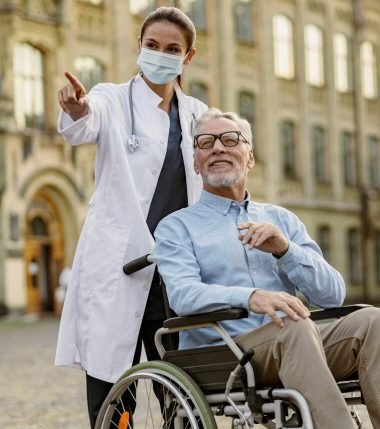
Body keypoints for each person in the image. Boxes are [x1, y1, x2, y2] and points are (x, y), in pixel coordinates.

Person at [154, 108, 380, 429]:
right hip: (225, 354)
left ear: (250, 158)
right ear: (195, 162)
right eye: (205, 142)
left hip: (297, 344)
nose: (217, 147)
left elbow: (333, 294)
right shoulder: (176, 227)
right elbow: (183, 294)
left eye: (230, 139)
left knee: (372, 321)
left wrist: (285, 250)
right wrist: (251, 296)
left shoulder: (282, 220)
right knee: (294, 326)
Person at [54, 7, 207, 428]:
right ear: (139, 46)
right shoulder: (111, 98)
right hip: (118, 267)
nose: (160, 54)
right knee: (112, 391)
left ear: (187, 57)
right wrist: (77, 108)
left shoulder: (198, 114)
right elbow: (85, 122)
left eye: (172, 49)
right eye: (152, 45)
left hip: (173, 272)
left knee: (178, 388)